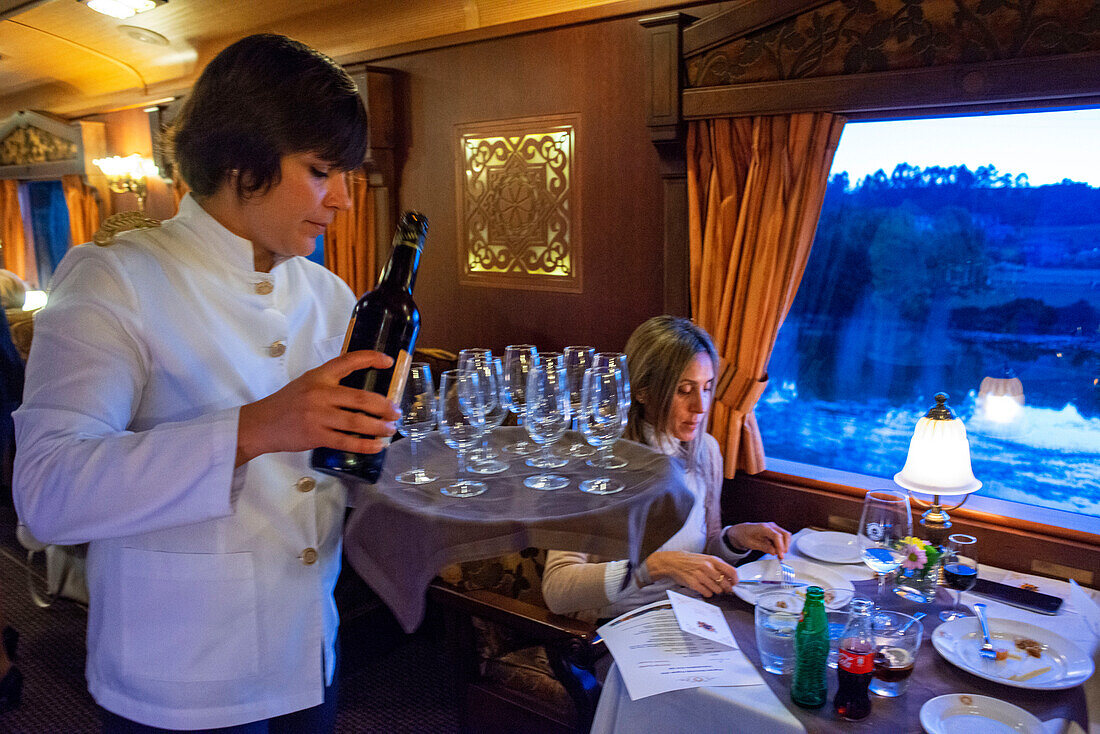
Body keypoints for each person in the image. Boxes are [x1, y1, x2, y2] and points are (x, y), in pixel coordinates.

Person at [13, 34, 399, 733]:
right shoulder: (116, 277)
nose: (344, 198)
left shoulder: (330, 295)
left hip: (310, 651)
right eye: (321, 170)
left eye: (348, 172)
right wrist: (255, 429)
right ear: (238, 162)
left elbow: (333, 474)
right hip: (180, 675)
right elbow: (47, 492)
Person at [541, 316, 791, 622]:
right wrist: (652, 567)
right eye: (684, 390)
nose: (700, 407)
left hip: (694, 614)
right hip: (623, 624)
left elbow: (706, 547)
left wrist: (733, 539)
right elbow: (557, 589)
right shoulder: (595, 463)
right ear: (642, 391)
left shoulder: (706, 452)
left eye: (707, 388)